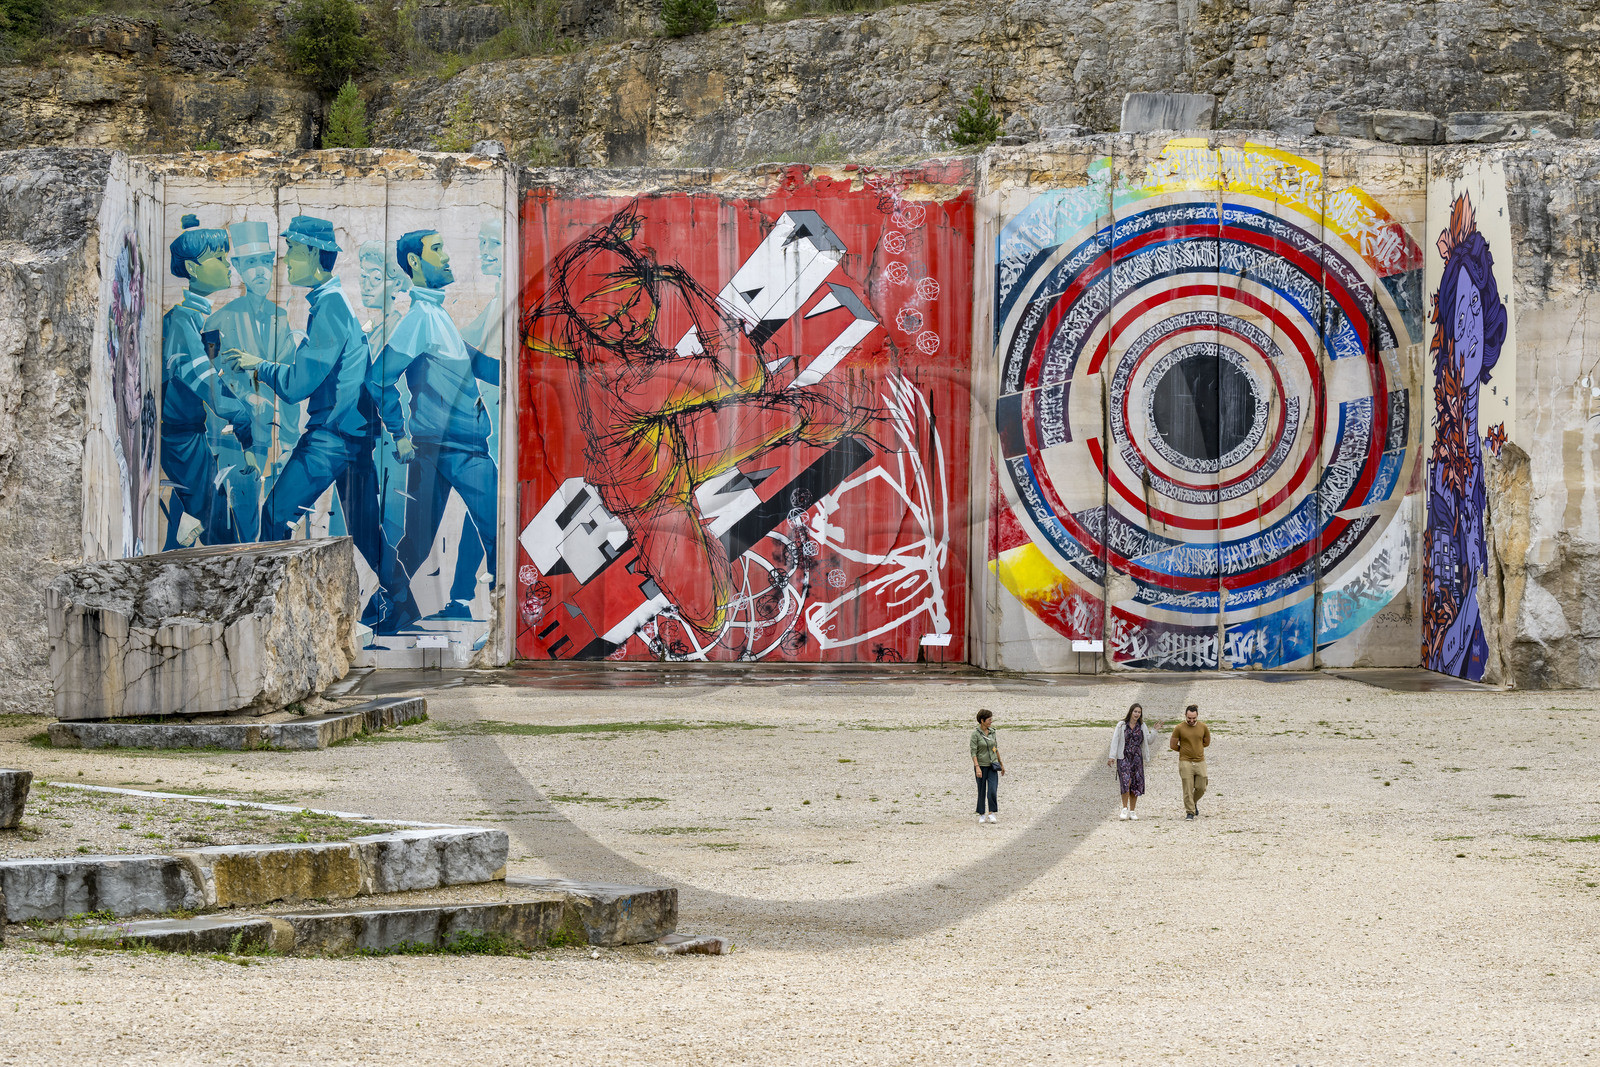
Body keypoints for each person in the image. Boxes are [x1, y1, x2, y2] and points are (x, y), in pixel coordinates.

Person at [224, 216, 384, 588]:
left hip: (331, 437)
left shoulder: (329, 307)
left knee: (275, 516)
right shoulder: (332, 304)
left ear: (313, 253)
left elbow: (298, 385)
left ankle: (267, 601)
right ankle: (403, 600)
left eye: (293, 252)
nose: (286, 262)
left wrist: (257, 365)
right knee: (368, 534)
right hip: (352, 435)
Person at [371, 228, 500, 634]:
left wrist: (528, 367)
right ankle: (510, 623)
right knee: (498, 526)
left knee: (417, 541)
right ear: (414, 262)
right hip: (453, 448)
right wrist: (399, 432)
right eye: (437, 249)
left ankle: (391, 609)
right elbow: (378, 379)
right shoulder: (420, 320)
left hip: (447, 446)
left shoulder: (437, 315)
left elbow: (471, 363)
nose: (447, 257)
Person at [160, 214, 257, 550]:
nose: (228, 265)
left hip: (190, 442)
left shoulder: (199, 319)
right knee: (221, 537)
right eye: (218, 258)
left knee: (188, 536)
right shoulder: (182, 322)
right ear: (192, 269)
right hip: (183, 445)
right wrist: (243, 421)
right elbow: (208, 385)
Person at [204, 219, 297, 541]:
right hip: (239, 438)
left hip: (275, 434)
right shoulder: (218, 321)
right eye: (251, 263)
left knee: (277, 520)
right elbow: (218, 385)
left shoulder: (280, 318)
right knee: (244, 519)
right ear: (239, 269)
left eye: (265, 263)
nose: (260, 271)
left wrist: (289, 441)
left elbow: (289, 381)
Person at [1107, 702, 1162, 820]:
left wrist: (1155, 731)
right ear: (1131, 712)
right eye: (1135, 711)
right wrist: (1112, 756)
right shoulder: (1121, 725)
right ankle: (1124, 808)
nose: (1137, 714)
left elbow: (1149, 741)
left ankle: (1132, 811)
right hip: (1124, 757)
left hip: (1137, 758)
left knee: (1135, 783)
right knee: (1126, 782)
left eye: (1139, 712)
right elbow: (1115, 740)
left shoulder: (1142, 726)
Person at [1169, 703, 1211, 820]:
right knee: (1188, 787)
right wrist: (1183, 751)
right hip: (1185, 761)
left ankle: (1193, 802)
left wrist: (1197, 749)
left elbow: (1206, 742)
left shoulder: (1203, 727)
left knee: (1202, 786)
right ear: (1185, 716)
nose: (1191, 720)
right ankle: (1190, 812)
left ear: (1197, 716)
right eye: (1189, 718)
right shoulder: (1179, 728)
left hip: (1200, 761)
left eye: (1194, 718)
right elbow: (1173, 745)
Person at [970, 709, 1004, 824]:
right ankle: (981, 814)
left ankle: (991, 813)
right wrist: (977, 767)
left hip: (992, 766)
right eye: (989, 720)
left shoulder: (993, 732)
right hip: (981, 766)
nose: (991, 721)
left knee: (992, 790)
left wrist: (1001, 764)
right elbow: (973, 752)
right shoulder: (975, 735)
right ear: (982, 720)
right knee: (981, 790)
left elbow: (995, 748)